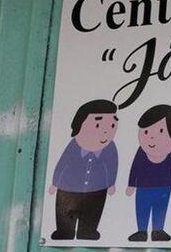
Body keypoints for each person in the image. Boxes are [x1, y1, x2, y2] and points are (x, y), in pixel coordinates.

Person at [49, 99, 119, 240]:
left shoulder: (110, 148)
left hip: (97, 190)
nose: (105, 132)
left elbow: (113, 165)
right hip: (69, 187)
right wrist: (55, 182)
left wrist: (111, 183)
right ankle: (64, 231)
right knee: (65, 210)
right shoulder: (73, 145)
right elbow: (62, 163)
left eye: (112, 125)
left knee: (93, 212)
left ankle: (88, 231)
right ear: (79, 125)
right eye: (98, 125)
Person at [126, 103, 171, 242]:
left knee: (160, 208)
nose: (151, 137)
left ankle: (158, 230)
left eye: (161, 131)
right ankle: (141, 231)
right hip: (143, 187)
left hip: (164, 186)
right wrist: (132, 184)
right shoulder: (141, 151)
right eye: (146, 132)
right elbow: (135, 167)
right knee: (142, 208)